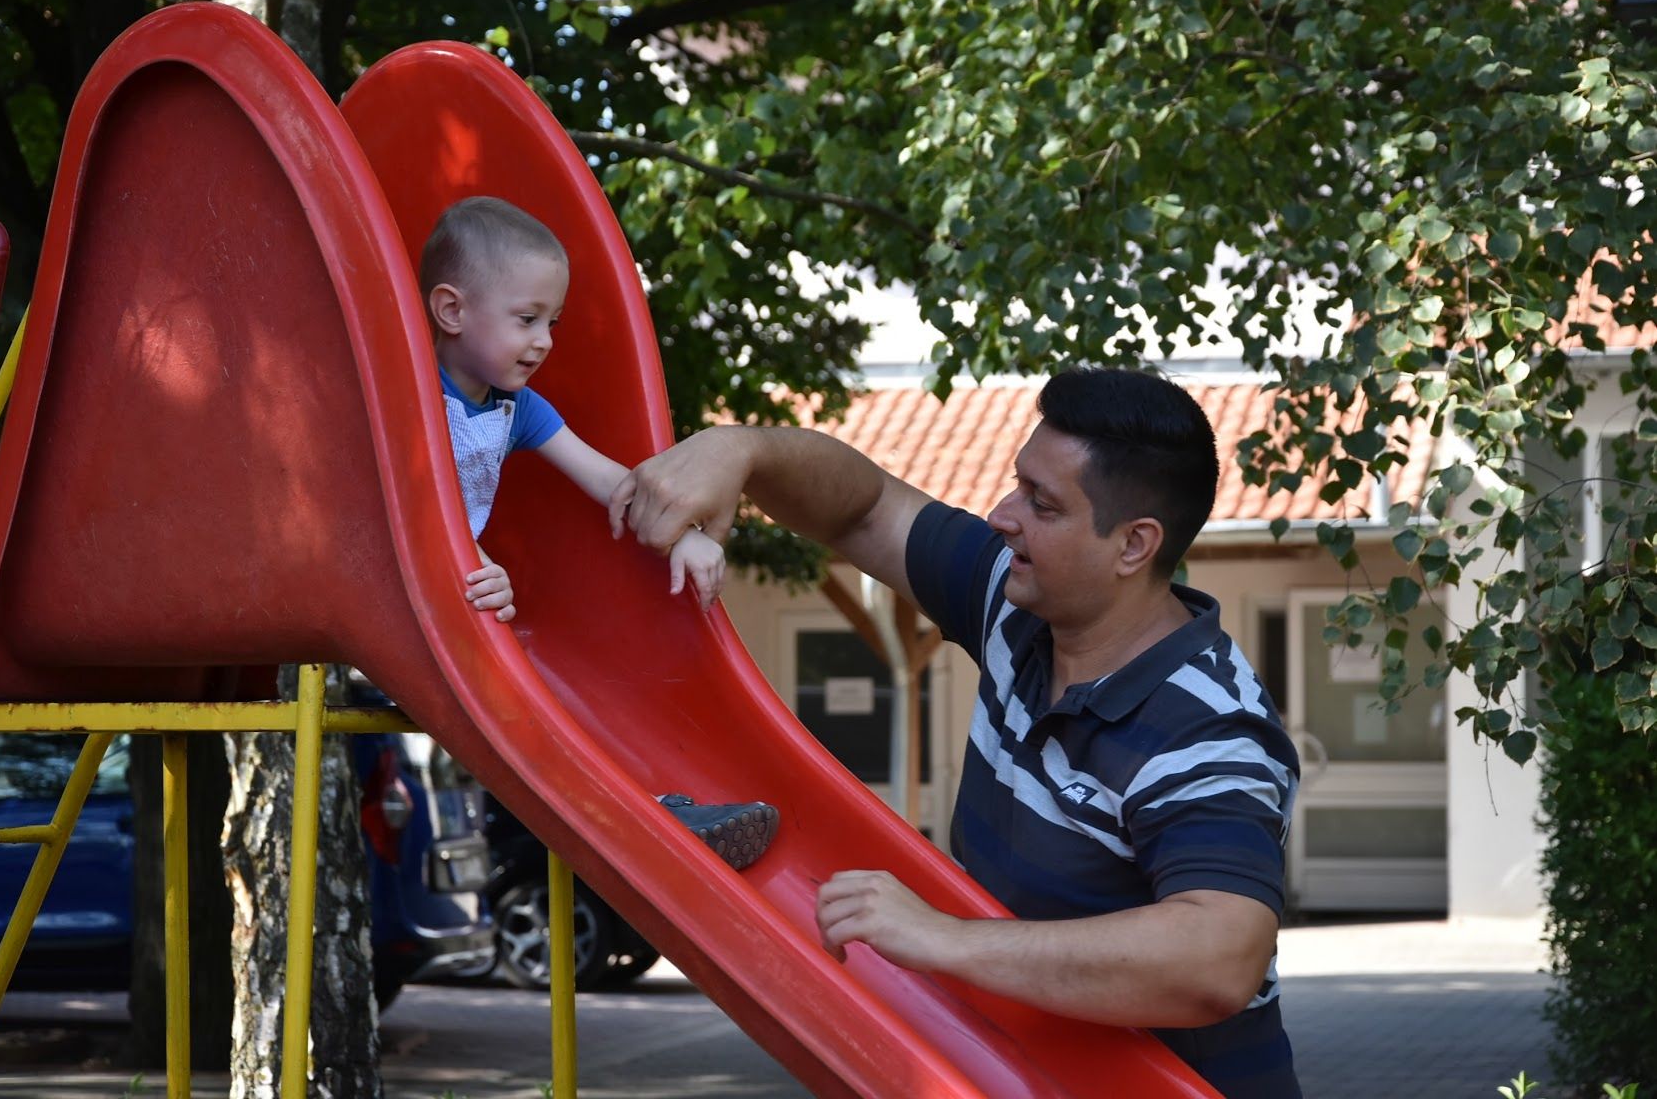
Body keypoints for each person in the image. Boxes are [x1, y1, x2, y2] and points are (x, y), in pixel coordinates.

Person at [610, 366, 1301, 1098]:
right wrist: (743, 450)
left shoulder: (1207, 727)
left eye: (1041, 504)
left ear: (1133, 545)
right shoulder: (1017, 601)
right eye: (1017, 485)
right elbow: (863, 509)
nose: (1002, 515)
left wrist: (942, 937)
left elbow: (1217, 959)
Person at [421, 195, 777, 870]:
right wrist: (468, 558)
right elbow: (404, 496)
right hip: (418, 589)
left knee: (559, 683)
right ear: (452, 311)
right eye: (526, 319)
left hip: (466, 589)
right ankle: (641, 815)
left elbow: (610, 480)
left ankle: (646, 809)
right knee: (524, 687)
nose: (544, 341)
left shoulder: (516, 407)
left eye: (551, 322)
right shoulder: (408, 389)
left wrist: (683, 533)